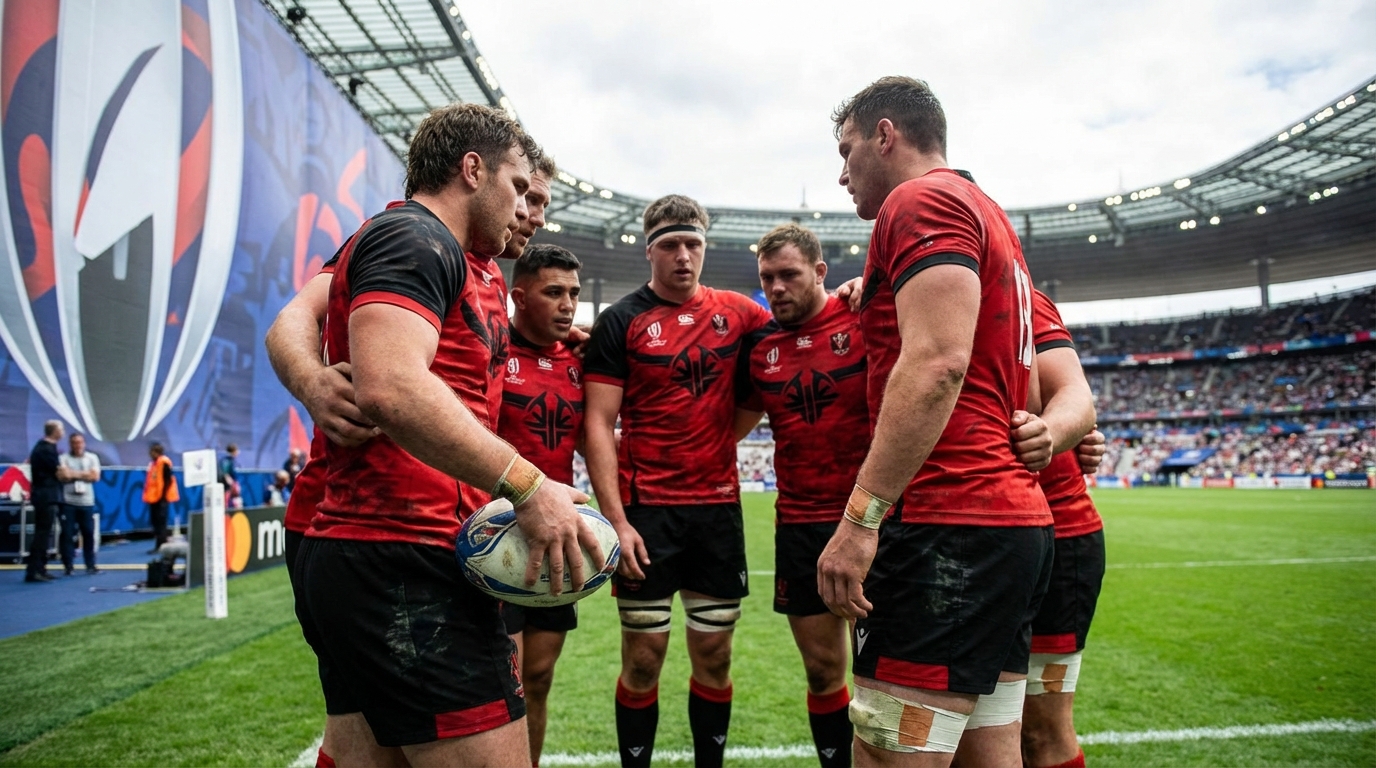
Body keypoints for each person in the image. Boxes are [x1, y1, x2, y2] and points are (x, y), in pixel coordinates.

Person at [295, 102, 602, 768]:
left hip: (380, 551)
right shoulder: (415, 239)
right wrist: (525, 484)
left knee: (360, 756)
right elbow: (392, 386)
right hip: (402, 554)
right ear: (473, 171)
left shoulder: (456, 257)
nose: (528, 208)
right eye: (519, 188)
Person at [816, 76, 1060, 767]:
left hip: (948, 526)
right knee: (990, 754)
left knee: (893, 751)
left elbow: (937, 364)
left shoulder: (921, 198)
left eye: (848, 149)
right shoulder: (986, 213)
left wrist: (861, 520)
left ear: (886, 135)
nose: (842, 173)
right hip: (1007, 525)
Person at [583, 193, 772, 768]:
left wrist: (846, 292)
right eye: (671, 245)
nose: (684, 256)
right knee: (643, 659)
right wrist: (617, 521)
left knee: (714, 656)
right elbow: (598, 421)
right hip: (646, 514)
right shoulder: (621, 321)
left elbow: (794, 336)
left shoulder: (741, 314)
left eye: (693, 244)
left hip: (716, 512)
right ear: (649, 251)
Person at [735, 224, 868, 768]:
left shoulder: (863, 317)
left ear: (820, 272)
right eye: (767, 278)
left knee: (885, 672)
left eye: (789, 275)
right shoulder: (760, 346)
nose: (777, 287)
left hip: (873, 520)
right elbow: (726, 426)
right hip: (799, 525)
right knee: (821, 670)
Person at [497, 243, 586, 766]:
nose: (568, 305)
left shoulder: (580, 357)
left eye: (573, 293)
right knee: (501, 683)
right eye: (554, 292)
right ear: (519, 297)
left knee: (539, 679)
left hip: (557, 535)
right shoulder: (490, 349)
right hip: (498, 536)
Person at [1015, 290, 1107, 768]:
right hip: (976, 541)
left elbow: (1076, 399)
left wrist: (1061, 433)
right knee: (979, 731)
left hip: (1061, 531)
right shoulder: (896, 294)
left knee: (1040, 732)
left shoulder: (1024, 298)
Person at [24, 420, 63, 583]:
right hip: (45, 495)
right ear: (54, 431)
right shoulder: (46, 450)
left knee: (45, 534)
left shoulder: (44, 448)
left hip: (46, 494)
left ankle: (41, 567)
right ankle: (34, 570)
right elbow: (61, 473)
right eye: (61, 429)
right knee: (42, 534)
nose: (63, 432)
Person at [57, 432, 101, 575]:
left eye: (80, 442)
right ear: (70, 444)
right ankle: (68, 566)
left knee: (88, 533)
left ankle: (91, 564)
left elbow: (95, 476)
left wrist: (73, 474)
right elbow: (63, 476)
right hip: (68, 502)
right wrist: (84, 474)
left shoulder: (92, 458)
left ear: (84, 443)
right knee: (67, 534)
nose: (77, 445)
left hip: (87, 502)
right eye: (74, 442)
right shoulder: (63, 458)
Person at [143, 442, 179, 553]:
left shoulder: (164, 463)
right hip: (154, 498)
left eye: (152, 452)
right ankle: (159, 544)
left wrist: (163, 497)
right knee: (155, 522)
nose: (150, 454)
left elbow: (167, 480)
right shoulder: (154, 464)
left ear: (156, 452)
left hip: (161, 498)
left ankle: (161, 545)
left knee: (161, 523)